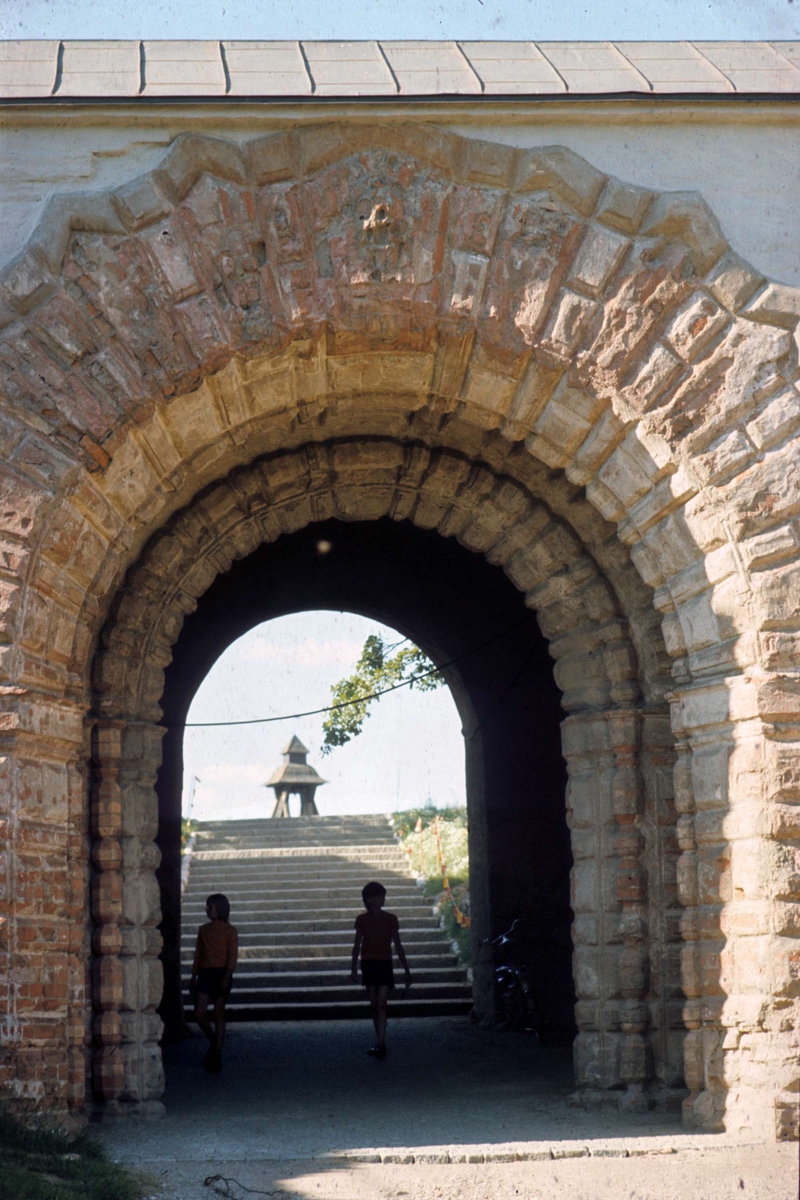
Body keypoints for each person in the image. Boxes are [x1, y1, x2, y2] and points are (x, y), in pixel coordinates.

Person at [351, 880, 411, 1059]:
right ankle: (380, 1040)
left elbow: (398, 945)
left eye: (382, 896)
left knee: (382, 1004)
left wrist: (406, 969)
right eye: (380, 897)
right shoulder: (361, 920)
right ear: (370, 900)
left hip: (384, 963)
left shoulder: (391, 919)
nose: (383, 899)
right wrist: (353, 968)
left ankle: (380, 1042)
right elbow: (356, 945)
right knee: (374, 1005)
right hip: (369, 964)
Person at [190, 892, 238, 1073]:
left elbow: (232, 956)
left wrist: (227, 976)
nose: (207, 910)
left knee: (218, 1014)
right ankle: (214, 1044)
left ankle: (216, 1054)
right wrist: (193, 976)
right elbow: (198, 955)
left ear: (220, 908)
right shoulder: (203, 930)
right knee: (199, 1013)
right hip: (205, 974)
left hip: (222, 973)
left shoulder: (230, 931)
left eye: (210, 907)